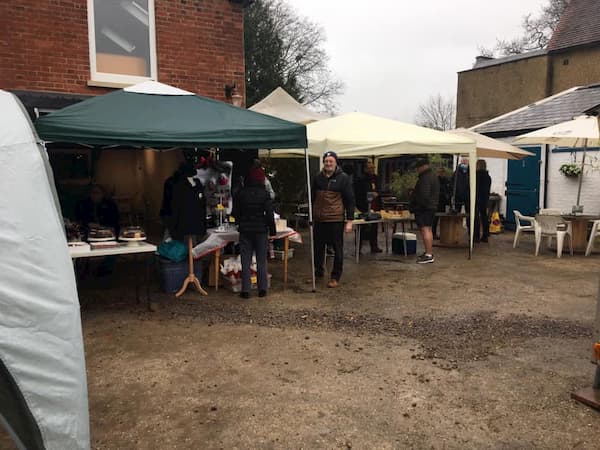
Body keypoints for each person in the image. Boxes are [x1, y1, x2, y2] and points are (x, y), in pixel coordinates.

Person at [232, 165, 276, 299]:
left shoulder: (241, 193)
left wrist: (239, 222)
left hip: (245, 230)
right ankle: (262, 289)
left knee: (246, 260)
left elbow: (235, 213)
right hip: (261, 229)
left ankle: (246, 290)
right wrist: (272, 230)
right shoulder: (265, 194)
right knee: (261, 260)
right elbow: (269, 214)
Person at [312, 151, 355, 288]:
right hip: (319, 219)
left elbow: (350, 200)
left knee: (337, 249)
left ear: (336, 162)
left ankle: (335, 277)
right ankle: (318, 274)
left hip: (335, 219)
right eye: (326, 161)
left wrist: (349, 220)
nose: (328, 163)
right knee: (318, 249)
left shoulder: (343, 178)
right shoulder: (318, 178)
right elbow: (312, 197)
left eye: (331, 161)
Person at [409, 158, 439, 264]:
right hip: (430, 207)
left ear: (423, 167)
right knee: (428, 229)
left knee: (425, 230)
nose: (417, 170)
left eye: (418, 167)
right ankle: (428, 252)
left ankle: (429, 254)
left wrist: (416, 204)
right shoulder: (433, 176)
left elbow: (424, 195)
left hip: (425, 208)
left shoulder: (425, 178)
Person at [354, 160, 383, 253]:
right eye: (370, 168)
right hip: (364, 206)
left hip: (375, 206)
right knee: (362, 228)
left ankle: (374, 246)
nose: (372, 169)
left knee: (374, 227)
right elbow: (357, 193)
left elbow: (380, 189)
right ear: (365, 169)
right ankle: (358, 248)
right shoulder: (360, 179)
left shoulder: (376, 178)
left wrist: (377, 193)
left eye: (373, 168)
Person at [474, 159, 492, 243]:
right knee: (484, 216)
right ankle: (485, 234)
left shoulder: (476, 175)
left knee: (476, 218)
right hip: (485, 199)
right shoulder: (488, 177)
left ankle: (476, 236)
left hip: (477, 198)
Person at [432, 167, 452, 239]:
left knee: (444, 219)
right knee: (435, 219)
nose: (441, 174)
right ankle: (433, 233)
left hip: (444, 202)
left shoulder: (447, 180)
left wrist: (448, 196)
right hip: (437, 202)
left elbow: (449, 189)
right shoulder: (436, 180)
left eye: (442, 172)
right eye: (440, 172)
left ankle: (443, 234)